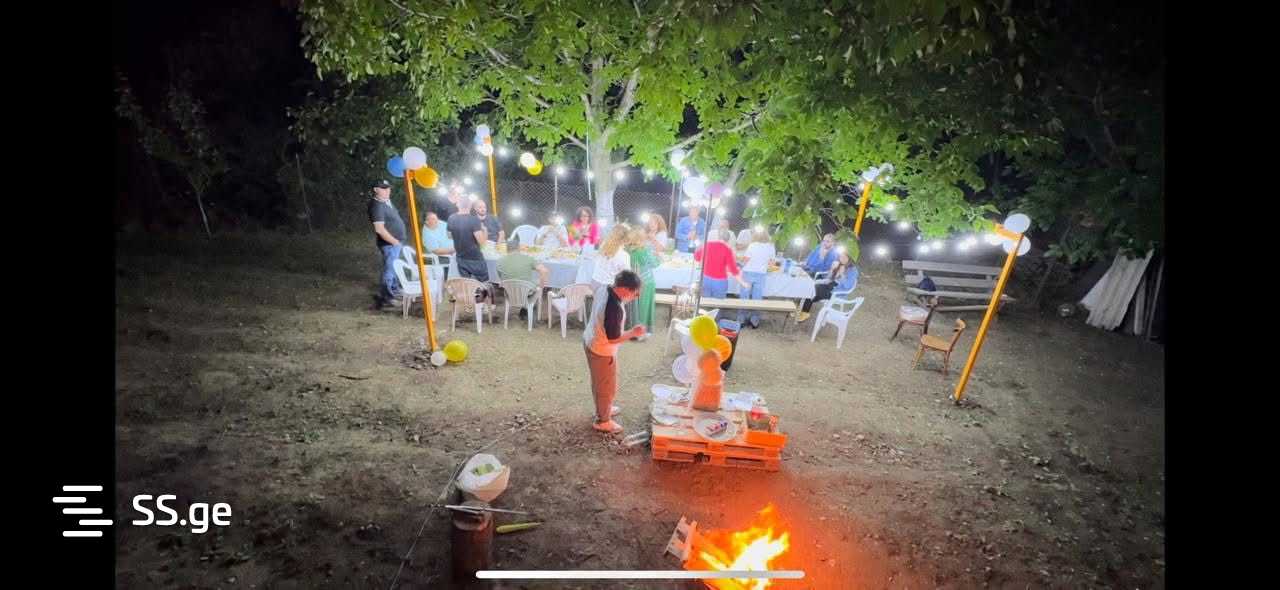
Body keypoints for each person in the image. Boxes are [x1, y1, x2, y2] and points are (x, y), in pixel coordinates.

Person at [582, 270, 646, 434]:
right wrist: (633, 332)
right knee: (605, 386)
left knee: (602, 383)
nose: (635, 297)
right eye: (634, 293)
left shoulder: (605, 287)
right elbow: (613, 338)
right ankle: (603, 421)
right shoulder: (613, 308)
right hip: (601, 350)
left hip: (591, 338)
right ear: (624, 289)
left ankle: (604, 408)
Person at [367, 179, 407, 309]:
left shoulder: (386, 201)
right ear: (376, 190)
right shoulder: (376, 206)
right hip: (389, 244)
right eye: (383, 188)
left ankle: (395, 290)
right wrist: (395, 242)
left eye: (388, 188)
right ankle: (386, 297)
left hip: (395, 242)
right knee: (389, 270)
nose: (387, 191)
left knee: (394, 268)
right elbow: (379, 229)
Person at [799, 249, 859, 321]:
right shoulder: (839, 265)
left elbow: (847, 286)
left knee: (814, 290)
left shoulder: (853, 270)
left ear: (849, 259)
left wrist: (842, 275)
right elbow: (829, 279)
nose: (841, 259)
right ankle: (801, 309)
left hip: (836, 291)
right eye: (841, 257)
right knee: (811, 287)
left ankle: (805, 312)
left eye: (844, 257)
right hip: (829, 285)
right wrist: (832, 269)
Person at [737, 227, 777, 329]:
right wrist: (765, 266)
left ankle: (741, 319)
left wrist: (739, 265)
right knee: (757, 298)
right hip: (761, 274)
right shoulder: (771, 246)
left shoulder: (752, 245)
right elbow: (772, 262)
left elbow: (746, 259)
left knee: (744, 296)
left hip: (748, 272)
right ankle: (754, 321)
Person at [497, 245, 551, 319]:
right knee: (536, 287)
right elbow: (544, 271)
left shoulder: (500, 261)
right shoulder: (528, 258)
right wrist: (541, 286)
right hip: (526, 292)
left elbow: (502, 279)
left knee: (522, 285)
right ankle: (528, 309)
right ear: (519, 249)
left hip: (510, 293)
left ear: (507, 249)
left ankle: (525, 309)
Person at [625, 225, 660, 340]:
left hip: (632, 282)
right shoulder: (644, 251)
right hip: (646, 282)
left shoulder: (628, 250)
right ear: (641, 238)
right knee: (645, 307)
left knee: (634, 307)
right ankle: (642, 332)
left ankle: (633, 331)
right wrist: (658, 257)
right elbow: (655, 264)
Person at [694, 231, 750, 298]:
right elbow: (734, 271)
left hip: (705, 279)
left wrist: (698, 247)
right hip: (720, 282)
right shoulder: (728, 250)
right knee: (718, 302)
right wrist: (743, 283)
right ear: (728, 239)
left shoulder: (708, 245)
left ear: (718, 237)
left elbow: (697, 257)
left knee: (705, 301)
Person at [447, 201, 490, 284]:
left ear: (458, 205)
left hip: (460, 258)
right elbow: (482, 243)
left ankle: (470, 292)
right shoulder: (474, 219)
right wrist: (485, 230)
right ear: (470, 206)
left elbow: (449, 236)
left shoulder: (451, 218)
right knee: (484, 284)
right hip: (475, 259)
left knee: (467, 284)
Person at [591, 225, 633, 292]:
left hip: (594, 283)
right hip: (609, 288)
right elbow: (626, 276)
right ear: (626, 239)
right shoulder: (624, 255)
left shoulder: (603, 246)